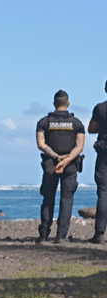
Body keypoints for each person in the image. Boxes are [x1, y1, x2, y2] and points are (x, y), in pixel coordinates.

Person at [35, 89, 85, 244]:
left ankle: (44, 235)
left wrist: (57, 158)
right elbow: (80, 146)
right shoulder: (76, 123)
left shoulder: (44, 122)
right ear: (68, 103)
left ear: (54, 104)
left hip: (51, 164)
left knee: (48, 199)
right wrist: (67, 159)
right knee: (66, 199)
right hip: (70, 165)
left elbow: (41, 144)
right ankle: (61, 236)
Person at [88, 80, 107, 244]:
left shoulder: (100, 108)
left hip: (104, 152)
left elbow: (91, 129)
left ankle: (100, 233)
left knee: (103, 193)